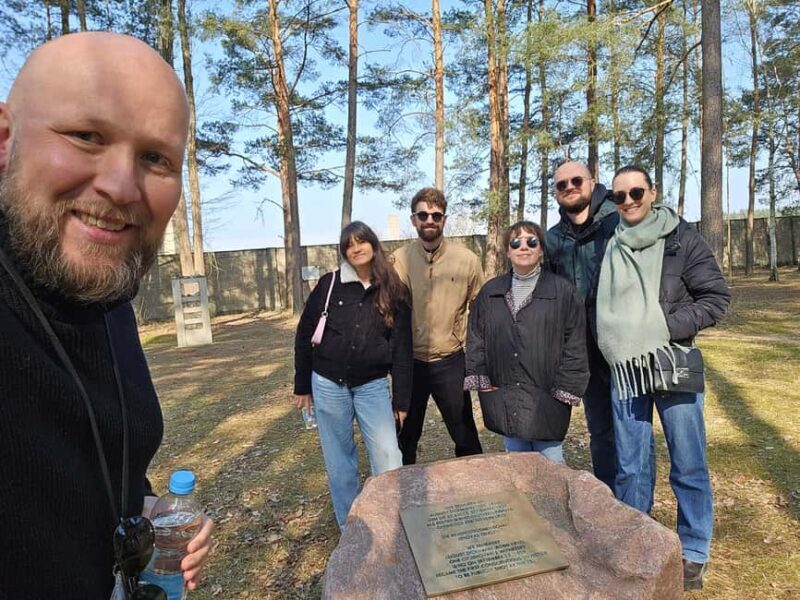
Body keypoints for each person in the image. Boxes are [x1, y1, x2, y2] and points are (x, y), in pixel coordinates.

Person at [0, 33, 213, 598]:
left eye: (155, 159)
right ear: (4, 138)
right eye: (86, 136)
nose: (121, 186)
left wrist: (137, 509)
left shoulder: (105, 295)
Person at [596, 165, 729, 590]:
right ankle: (637, 538)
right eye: (619, 196)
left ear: (652, 192)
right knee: (631, 465)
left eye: (636, 192)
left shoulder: (681, 238)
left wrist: (664, 327)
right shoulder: (609, 243)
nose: (629, 201)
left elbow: (716, 298)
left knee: (688, 461)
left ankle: (693, 549)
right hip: (626, 367)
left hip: (672, 359)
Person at [294, 221, 412, 529]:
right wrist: (302, 385)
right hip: (328, 384)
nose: (355, 248)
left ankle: (390, 519)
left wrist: (402, 400)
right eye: (349, 245)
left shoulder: (395, 290)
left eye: (361, 242)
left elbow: (401, 348)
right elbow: (305, 333)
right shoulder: (329, 284)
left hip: (372, 386)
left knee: (388, 456)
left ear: (373, 245)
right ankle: (352, 530)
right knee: (340, 463)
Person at [465, 221, 589, 462]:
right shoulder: (490, 292)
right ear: (508, 251)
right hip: (506, 392)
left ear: (541, 250)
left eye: (531, 242)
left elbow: (575, 344)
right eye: (516, 242)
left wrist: (564, 390)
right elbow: (476, 338)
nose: (524, 247)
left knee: (551, 465)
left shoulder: (563, 291)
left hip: (547, 396)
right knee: (518, 467)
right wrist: (482, 380)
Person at [392, 187, 484, 465]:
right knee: (405, 436)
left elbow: (480, 309)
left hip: (451, 360)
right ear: (413, 220)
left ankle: (476, 488)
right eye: (423, 215)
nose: (429, 220)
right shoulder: (397, 261)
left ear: (444, 219)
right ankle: (402, 493)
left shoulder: (467, 260)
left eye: (436, 215)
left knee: (465, 433)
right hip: (411, 363)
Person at [545, 160, 620, 488]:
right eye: (562, 185)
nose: (570, 187)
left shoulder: (619, 222)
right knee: (601, 432)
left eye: (576, 180)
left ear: (592, 182)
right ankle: (611, 504)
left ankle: (637, 512)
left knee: (632, 434)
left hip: (622, 349)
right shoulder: (551, 239)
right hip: (585, 354)